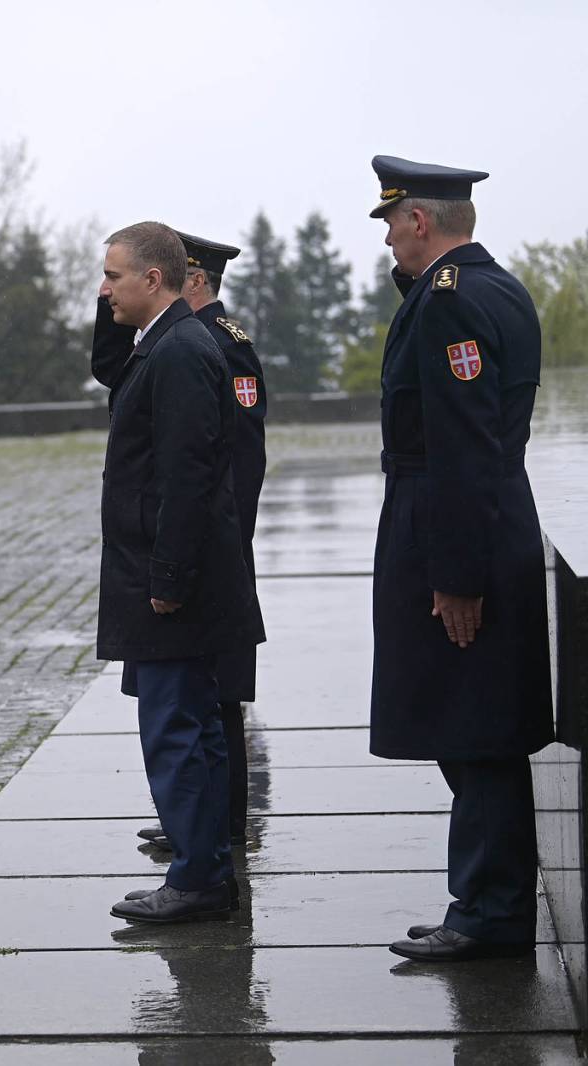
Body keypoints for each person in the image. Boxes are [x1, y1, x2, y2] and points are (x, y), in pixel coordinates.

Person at [365, 156, 553, 962]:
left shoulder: (451, 303)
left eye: (391, 225)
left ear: (419, 221)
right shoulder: (491, 287)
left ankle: (489, 912)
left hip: (457, 526)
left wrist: (457, 577)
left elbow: (464, 446)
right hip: (473, 517)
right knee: (470, 727)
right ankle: (484, 899)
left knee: (475, 731)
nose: (388, 243)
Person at [93, 221, 263, 925]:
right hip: (166, 576)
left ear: (152, 281)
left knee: (178, 730)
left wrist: (166, 576)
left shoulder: (183, 351)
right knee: (190, 726)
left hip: (172, 586)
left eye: (113, 276)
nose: (103, 289)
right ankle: (202, 869)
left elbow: (187, 476)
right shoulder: (165, 344)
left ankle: (196, 878)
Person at [129, 232, 267, 853]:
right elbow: (110, 370)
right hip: (204, 539)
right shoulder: (181, 339)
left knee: (218, 695)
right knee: (200, 694)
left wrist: (218, 545)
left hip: (215, 542)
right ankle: (201, 820)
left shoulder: (217, 344)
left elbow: (236, 461)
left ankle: (223, 823)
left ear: (194, 279)